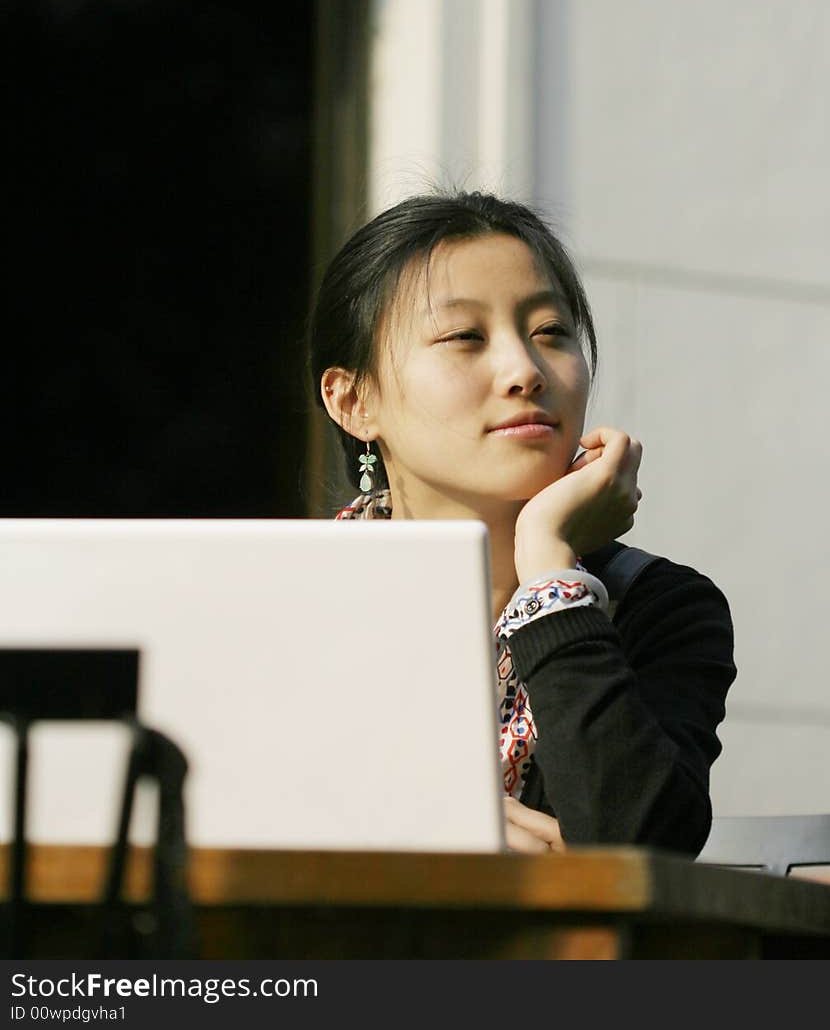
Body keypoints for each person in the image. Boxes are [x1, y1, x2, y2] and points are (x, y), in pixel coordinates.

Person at [308, 190, 736, 856]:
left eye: (551, 334)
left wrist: (549, 565)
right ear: (354, 400)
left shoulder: (659, 607)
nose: (525, 371)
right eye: (464, 338)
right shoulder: (293, 600)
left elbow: (640, 852)